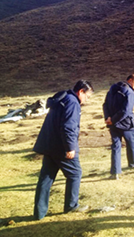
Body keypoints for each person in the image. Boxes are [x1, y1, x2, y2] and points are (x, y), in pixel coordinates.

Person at [33, 80, 94, 220]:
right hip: (60, 147)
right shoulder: (72, 103)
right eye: (87, 96)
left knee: (46, 178)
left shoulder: (62, 98)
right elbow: (68, 127)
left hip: (49, 144)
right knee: (75, 173)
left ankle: (39, 213)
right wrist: (70, 147)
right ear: (81, 92)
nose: (86, 100)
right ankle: (71, 206)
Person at [103, 74, 134, 180]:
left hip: (113, 124)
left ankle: (115, 172)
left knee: (116, 147)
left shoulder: (111, 91)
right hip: (126, 124)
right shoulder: (129, 93)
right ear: (130, 80)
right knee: (131, 143)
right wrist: (113, 119)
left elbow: (105, 105)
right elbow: (126, 110)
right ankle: (133, 163)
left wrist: (108, 118)